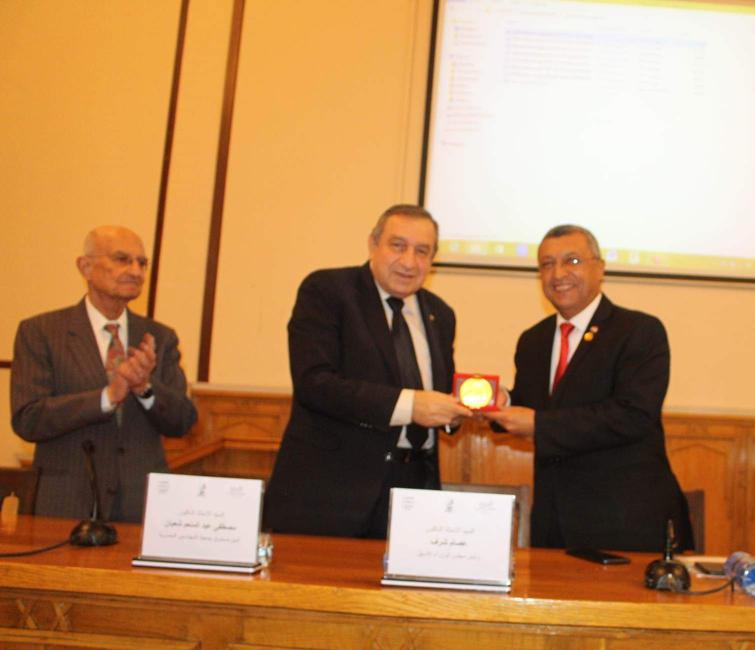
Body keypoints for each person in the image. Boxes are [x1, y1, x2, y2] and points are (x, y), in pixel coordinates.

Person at [263, 204, 472, 538]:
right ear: (373, 243)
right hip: (333, 493)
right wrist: (411, 406)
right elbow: (314, 383)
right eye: (398, 246)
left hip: (415, 491)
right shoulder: (327, 291)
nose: (409, 262)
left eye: (422, 251)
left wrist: (458, 410)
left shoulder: (440, 314)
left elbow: (437, 394)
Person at [491, 225, 692, 552]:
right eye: (547, 264)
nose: (558, 274)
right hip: (553, 522)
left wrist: (539, 424)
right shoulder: (533, 340)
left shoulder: (639, 331)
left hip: (624, 519)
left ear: (600, 268)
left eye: (572, 261)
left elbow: (633, 415)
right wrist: (502, 402)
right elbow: (534, 406)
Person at [10, 225, 197, 522]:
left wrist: (145, 388)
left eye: (142, 263)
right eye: (122, 259)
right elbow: (28, 419)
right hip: (67, 503)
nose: (135, 271)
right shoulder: (41, 332)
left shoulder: (159, 337)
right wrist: (106, 398)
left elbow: (183, 421)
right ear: (85, 267)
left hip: (140, 506)